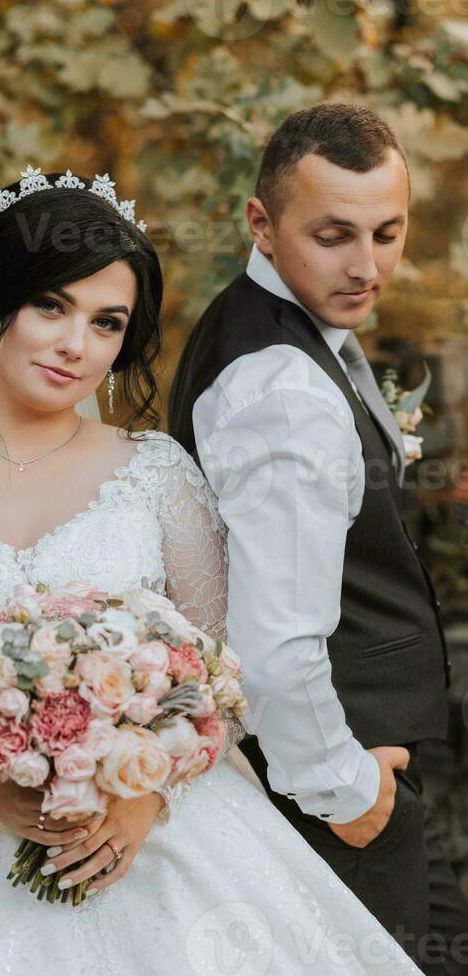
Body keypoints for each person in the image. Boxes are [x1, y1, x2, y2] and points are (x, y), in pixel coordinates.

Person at [0, 167, 422, 975]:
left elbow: (220, 671)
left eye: (108, 323)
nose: (77, 345)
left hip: (169, 840)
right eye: (52, 306)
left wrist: (147, 792)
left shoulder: (157, 472)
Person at [168, 103, 468, 974]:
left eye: (388, 231)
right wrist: (351, 794)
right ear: (260, 223)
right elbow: (275, 645)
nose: (367, 265)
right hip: (331, 788)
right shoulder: (283, 390)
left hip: (346, 775)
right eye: (334, 234)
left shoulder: (283, 336)